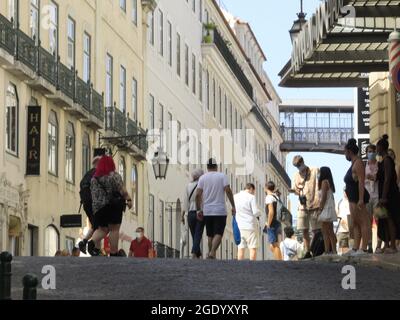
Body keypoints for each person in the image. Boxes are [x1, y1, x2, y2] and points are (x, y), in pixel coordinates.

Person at [87, 155, 133, 257]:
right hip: (113, 207)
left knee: (102, 229)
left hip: (98, 209)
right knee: (114, 229)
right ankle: (113, 253)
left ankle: (92, 242)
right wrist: (129, 200)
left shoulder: (94, 179)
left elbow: (93, 195)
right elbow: (123, 191)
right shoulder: (114, 176)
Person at [195, 158, 236, 259]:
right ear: (216, 167)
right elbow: (228, 191)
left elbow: (197, 195)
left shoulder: (202, 178)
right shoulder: (222, 176)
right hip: (220, 210)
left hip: (207, 210)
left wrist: (198, 209)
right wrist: (233, 205)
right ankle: (212, 252)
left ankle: (211, 253)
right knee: (219, 233)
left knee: (210, 234)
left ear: (207, 167)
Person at [343, 139, 370, 256]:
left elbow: (361, 182)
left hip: (358, 198)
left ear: (349, 151)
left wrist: (361, 199)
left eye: (345, 152)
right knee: (355, 223)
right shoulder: (353, 163)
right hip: (352, 198)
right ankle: (355, 248)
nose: (345, 155)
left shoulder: (358, 162)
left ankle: (363, 249)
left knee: (363, 222)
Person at [290, 155, 320, 259]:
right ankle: (308, 251)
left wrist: (319, 201)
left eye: (299, 165)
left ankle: (316, 250)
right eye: (296, 166)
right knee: (304, 229)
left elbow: (319, 186)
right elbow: (296, 190)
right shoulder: (296, 175)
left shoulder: (314, 170)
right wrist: (295, 191)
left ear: (303, 162)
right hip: (302, 205)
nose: (299, 168)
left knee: (316, 229)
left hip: (314, 204)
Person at [78, 148, 105, 254]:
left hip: (86, 204)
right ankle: (92, 246)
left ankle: (84, 242)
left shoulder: (88, 173)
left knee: (95, 225)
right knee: (103, 227)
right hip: (95, 203)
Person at [376, 135, 400, 254]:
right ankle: (387, 245)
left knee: (390, 219)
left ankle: (393, 246)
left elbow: (387, 179)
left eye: (377, 148)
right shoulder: (382, 161)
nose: (376, 150)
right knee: (384, 219)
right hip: (384, 193)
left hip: (389, 195)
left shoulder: (387, 160)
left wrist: (384, 197)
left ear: (381, 148)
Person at [234, 183, 261, 261]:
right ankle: (252, 265)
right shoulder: (251, 197)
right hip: (250, 226)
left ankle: (240, 265)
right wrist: (260, 213)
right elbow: (255, 212)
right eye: (254, 191)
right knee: (252, 247)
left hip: (239, 226)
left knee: (240, 248)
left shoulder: (235, 196)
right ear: (251, 189)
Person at [183, 169, 205, 259]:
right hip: (200, 211)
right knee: (198, 234)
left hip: (190, 213)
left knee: (194, 234)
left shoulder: (188, 186)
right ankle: (194, 253)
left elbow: (185, 201)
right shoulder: (202, 186)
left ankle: (197, 254)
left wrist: (183, 214)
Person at [317, 167, 337, 255]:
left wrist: (320, 209)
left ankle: (327, 250)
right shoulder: (329, 183)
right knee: (330, 231)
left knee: (325, 231)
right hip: (329, 208)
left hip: (325, 209)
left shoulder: (324, 182)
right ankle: (333, 250)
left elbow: (323, 197)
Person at [365, 144, 379, 253]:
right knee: (368, 221)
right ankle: (369, 245)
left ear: (375, 152)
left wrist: (374, 177)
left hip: (377, 196)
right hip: (368, 196)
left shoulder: (379, 165)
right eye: (368, 151)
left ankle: (378, 243)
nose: (370, 153)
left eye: (372, 151)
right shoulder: (364, 166)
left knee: (379, 220)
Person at [264, 181, 282, 260]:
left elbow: (271, 212)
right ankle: (279, 259)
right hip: (277, 221)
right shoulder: (276, 197)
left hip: (272, 222)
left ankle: (279, 261)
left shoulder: (269, 197)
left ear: (266, 188)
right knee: (273, 244)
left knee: (274, 244)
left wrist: (268, 223)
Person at [336, 191, 351, 255]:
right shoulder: (339, 202)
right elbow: (336, 213)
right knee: (343, 248)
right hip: (342, 230)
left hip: (351, 229)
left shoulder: (352, 202)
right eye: (345, 191)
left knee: (352, 248)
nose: (346, 193)